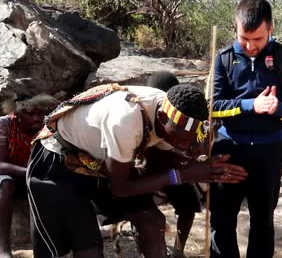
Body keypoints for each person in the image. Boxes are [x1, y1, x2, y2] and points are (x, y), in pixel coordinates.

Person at [26, 83, 248, 258]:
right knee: (88, 247)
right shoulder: (127, 120)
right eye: (179, 140)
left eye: (188, 143)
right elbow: (121, 188)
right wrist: (182, 175)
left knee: (151, 222)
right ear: (162, 118)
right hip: (58, 162)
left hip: (105, 161)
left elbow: (158, 165)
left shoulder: (169, 111)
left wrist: (200, 165)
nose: (181, 146)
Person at [210, 0, 282, 257]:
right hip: (229, 149)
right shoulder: (223, 59)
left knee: (263, 221)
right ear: (236, 28)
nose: (250, 46)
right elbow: (213, 106)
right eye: (244, 38)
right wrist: (250, 105)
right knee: (221, 221)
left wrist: (279, 109)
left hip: (270, 152)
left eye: (258, 39)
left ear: (271, 29)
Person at [147, 71, 203, 258]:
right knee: (145, 213)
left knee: (188, 204)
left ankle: (178, 251)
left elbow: (193, 146)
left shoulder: (185, 121)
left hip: (170, 167)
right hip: (147, 170)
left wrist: (191, 152)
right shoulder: (144, 118)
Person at [0, 93, 58, 258]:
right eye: (31, 114)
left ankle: (46, 246)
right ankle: (3, 249)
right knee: (5, 184)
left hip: (32, 176)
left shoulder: (48, 126)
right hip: (9, 176)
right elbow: (0, 164)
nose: (37, 118)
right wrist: (30, 172)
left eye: (40, 113)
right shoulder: (4, 124)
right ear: (17, 114)